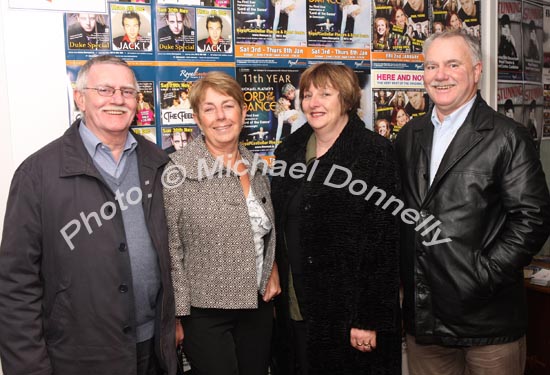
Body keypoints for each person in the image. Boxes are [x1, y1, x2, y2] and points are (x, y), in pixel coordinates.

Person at [0, 55, 176, 375]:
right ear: (80, 98)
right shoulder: (37, 174)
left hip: (153, 350)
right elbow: (15, 284)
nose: (117, 100)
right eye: (105, 90)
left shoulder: (158, 163)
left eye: (127, 91)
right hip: (78, 357)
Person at [395, 30, 550, 375]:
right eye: (432, 65)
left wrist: (482, 275)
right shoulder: (409, 135)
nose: (440, 74)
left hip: (488, 322)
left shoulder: (507, 136)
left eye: (453, 64)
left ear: (477, 71)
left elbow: (533, 218)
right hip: (426, 321)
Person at [271, 63, 401, 375]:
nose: (313, 103)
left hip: (348, 316)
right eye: (307, 95)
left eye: (325, 94)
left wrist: (367, 319)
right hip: (296, 306)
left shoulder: (374, 153)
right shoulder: (288, 150)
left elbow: (384, 244)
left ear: (346, 99)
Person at [163, 71, 281, 375]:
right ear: (197, 119)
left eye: (228, 105)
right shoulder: (179, 170)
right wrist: (176, 316)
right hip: (205, 313)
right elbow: (170, 248)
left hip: (257, 306)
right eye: (209, 108)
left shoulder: (254, 164)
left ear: (243, 112)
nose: (221, 117)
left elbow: (262, 230)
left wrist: (271, 268)